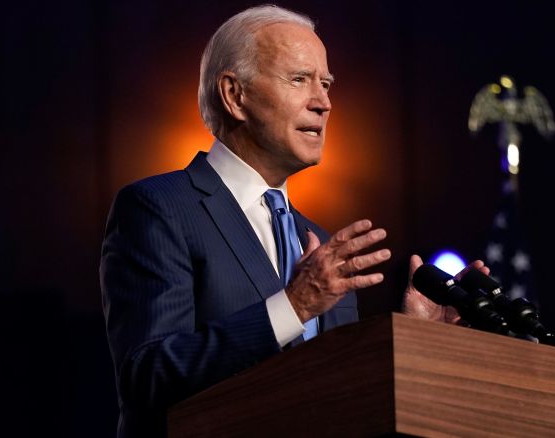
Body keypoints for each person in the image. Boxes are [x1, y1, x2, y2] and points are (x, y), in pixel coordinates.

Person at [100, 5, 489, 437]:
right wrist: (295, 305)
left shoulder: (319, 245)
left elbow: (339, 395)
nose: (323, 103)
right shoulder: (159, 207)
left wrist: (416, 344)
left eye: (326, 85)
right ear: (234, 95)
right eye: (300, 80)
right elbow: (147, 377)